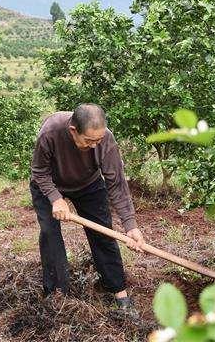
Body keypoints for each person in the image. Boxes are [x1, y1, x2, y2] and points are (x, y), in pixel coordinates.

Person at [30, 103, 145, 315]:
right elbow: (39, 170)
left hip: (88, 183)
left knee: (102, 232)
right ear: (74, 131)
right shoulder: (51, 131)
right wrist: (56, 199)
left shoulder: (105, 139)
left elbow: (116, 183)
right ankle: (56, 297)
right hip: (48, 184)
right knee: (50, 234)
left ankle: (119, 293)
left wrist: (130, 225)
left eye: (98, 140)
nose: (94, 145)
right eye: (89, 141)